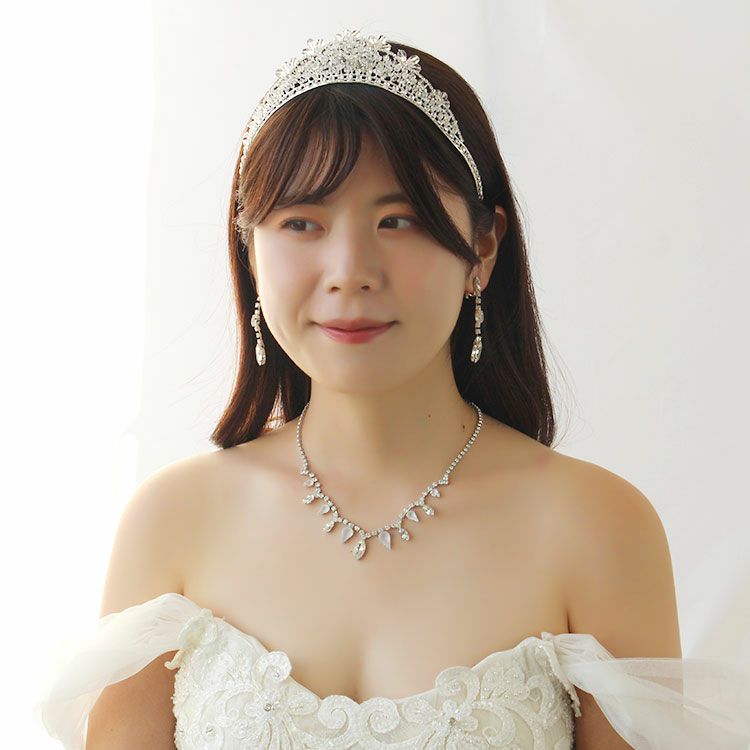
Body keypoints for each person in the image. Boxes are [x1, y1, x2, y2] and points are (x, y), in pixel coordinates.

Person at [33, 28, 750, 749]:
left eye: (397, 220)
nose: (350, 270)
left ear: (483, 248)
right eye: (302, 222)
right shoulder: (172, 521)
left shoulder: (598, 527)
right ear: (248, 250)